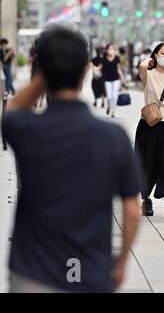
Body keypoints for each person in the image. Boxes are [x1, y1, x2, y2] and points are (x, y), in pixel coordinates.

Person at [1, 26, 142, 293]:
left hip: (33, 271)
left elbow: (13, 109)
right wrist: (121, 261)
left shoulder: (26, 128)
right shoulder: (113, 137)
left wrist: (46, 74)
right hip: (90, 270)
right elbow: (132, 211)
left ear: (41, 72)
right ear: (84, 71)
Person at [136, 42, 164, 220]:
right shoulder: (148, 74)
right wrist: (151, 59)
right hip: (148, 124)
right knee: (147, 163)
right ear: (155, 55)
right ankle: (146, 199)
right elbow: (141, 66)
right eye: (161, 53)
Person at [98, 44, 126, 118]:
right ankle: (109, 106)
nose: (111, 50)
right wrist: (94, 68)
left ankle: (113, 111)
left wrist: (122, 78)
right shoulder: (103, 59)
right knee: (109, 96)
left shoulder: (116, 58)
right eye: (109, 49)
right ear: (106, 50)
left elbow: (118, 69)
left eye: (112, 49)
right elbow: (99, 67)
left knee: (115, 95)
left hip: (116, 79)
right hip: (107, 80)